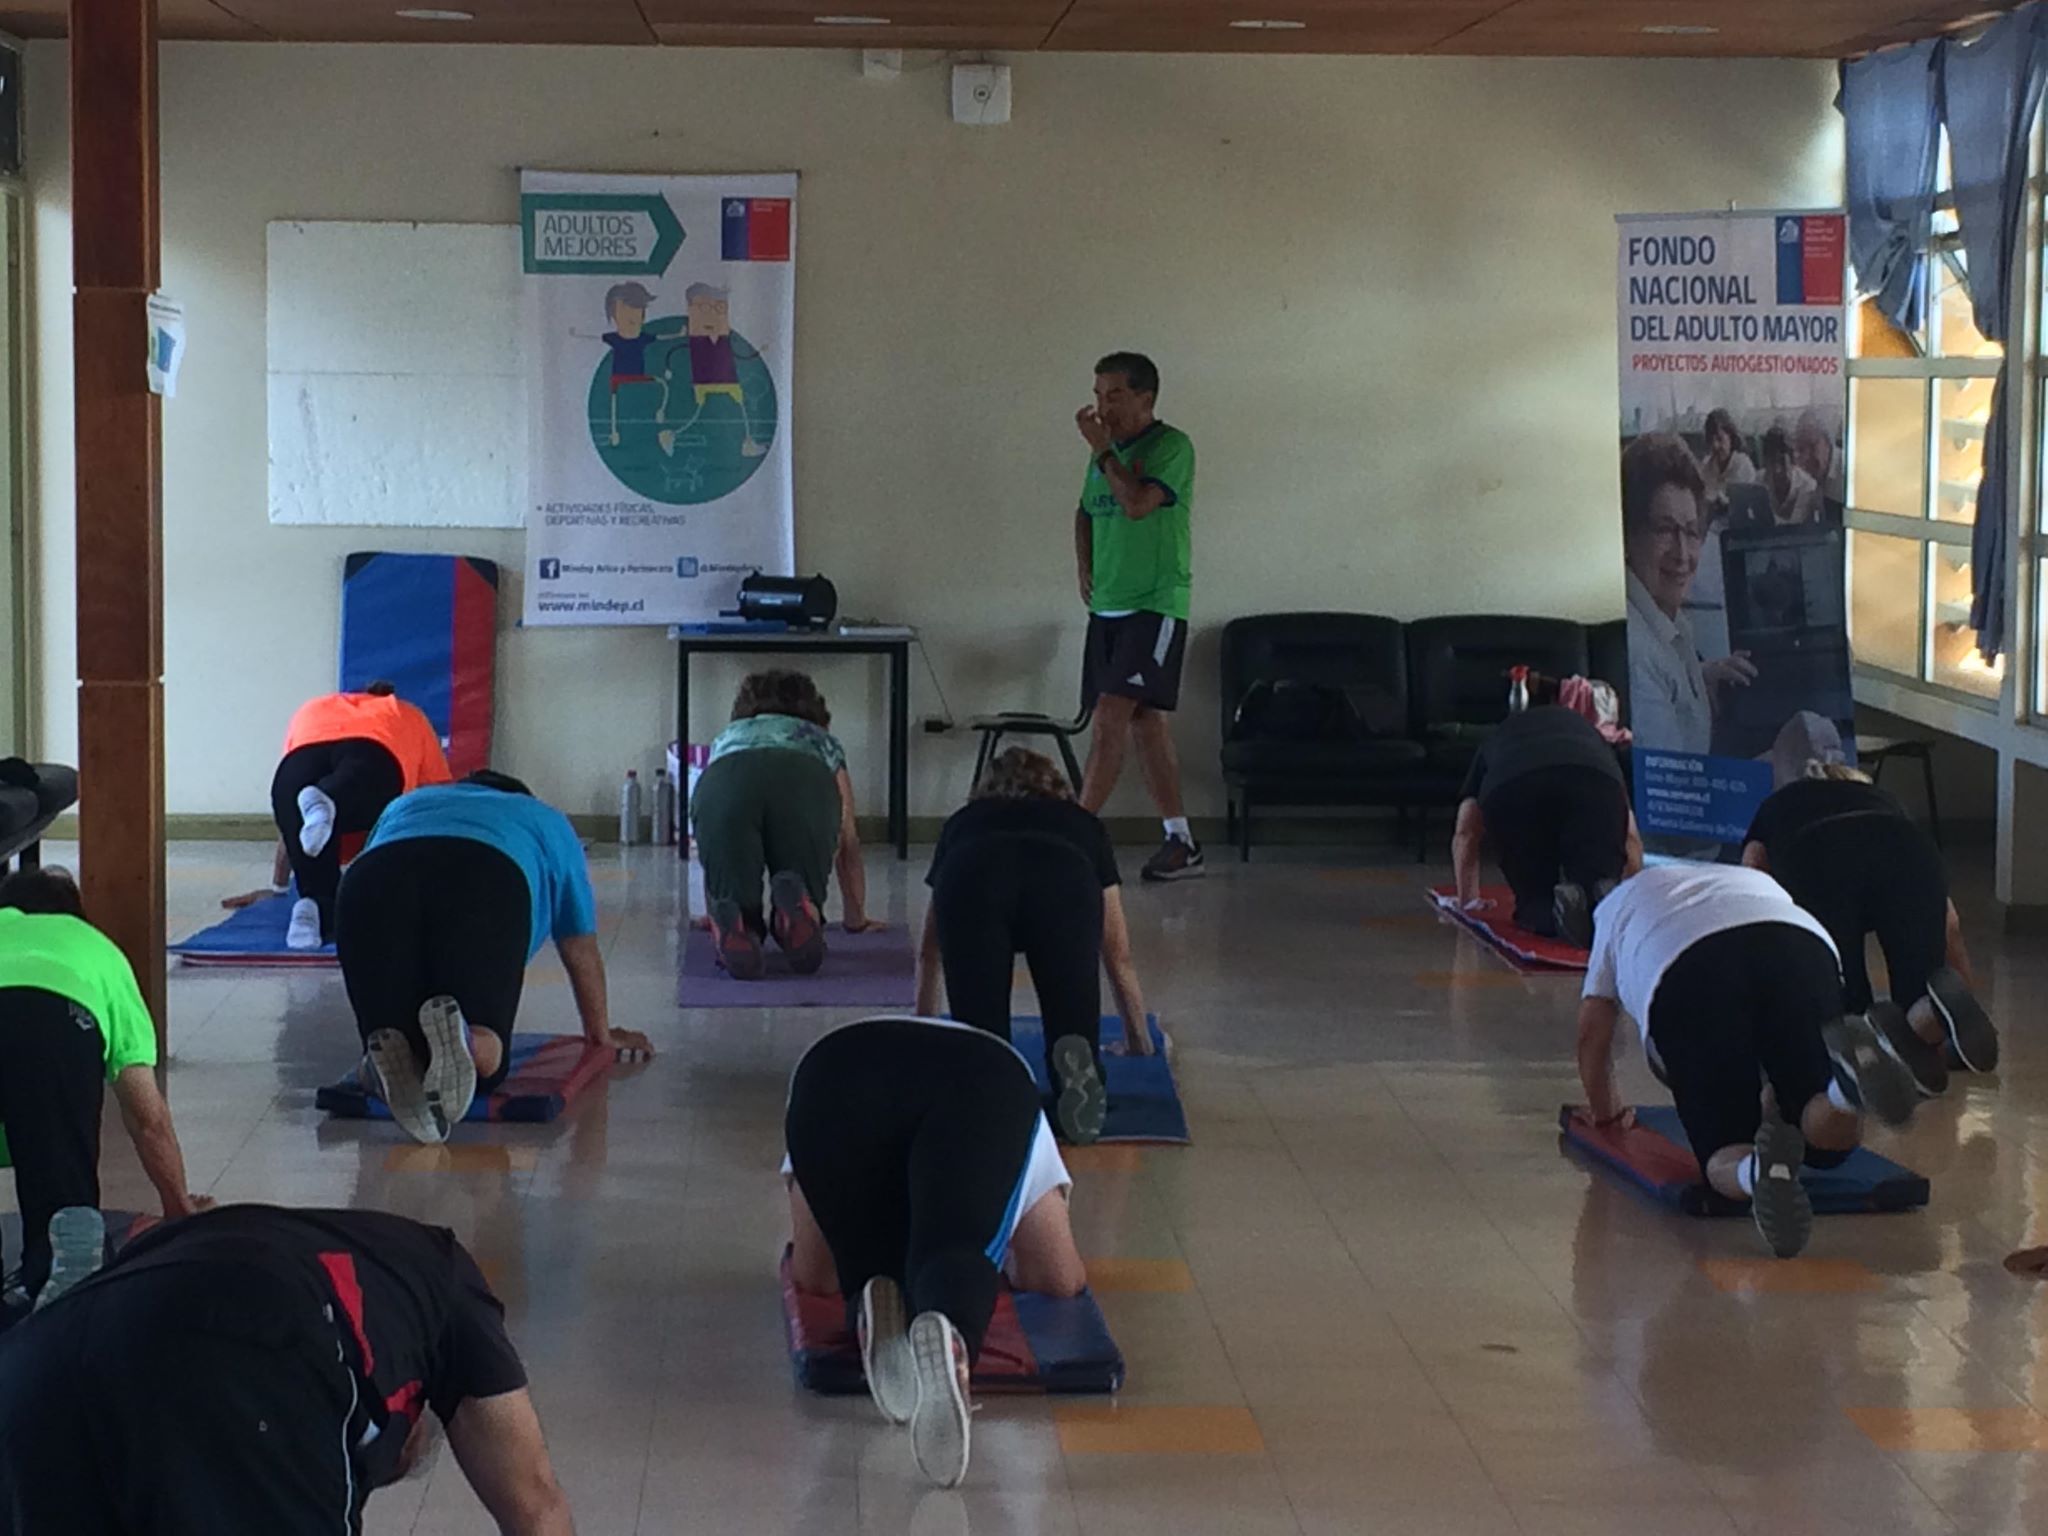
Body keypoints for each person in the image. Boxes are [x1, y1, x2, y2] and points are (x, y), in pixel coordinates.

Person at [0, 1202, 574, 1533]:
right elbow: (536, 1502)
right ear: (413, 1418)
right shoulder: (446, 1279)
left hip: (38, 1360)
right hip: (255, 1331)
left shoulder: (303, 1240)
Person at [784, 1016, 1087, 1488]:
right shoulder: (1015, 1109)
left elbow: (812, 1274)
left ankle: (872, 1289)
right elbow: (1056, 1277)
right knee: (957, 1250)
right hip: (980, 1078)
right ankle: (950, 1328)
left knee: (861, 1252)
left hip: (831, 1073)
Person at [1573, 862, 1923, 1258]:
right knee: (1827, 1142)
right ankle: (1844, 1092)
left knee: (1725, 1148)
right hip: (1800, 942)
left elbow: (1592, 1031)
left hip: (1686, 960)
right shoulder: (1747, 876)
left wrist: (1606, 1115)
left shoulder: (1614, 906)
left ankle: (1755, 1173)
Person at [336, 771, 655, 1145]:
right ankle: (469, 1040)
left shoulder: (406, 803)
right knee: (487, 1062)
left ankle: (379, 1064)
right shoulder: (544, 818)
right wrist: (600, 1035)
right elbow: (578, 947)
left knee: (389, 1039)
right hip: (485, 877)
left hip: (372, 879)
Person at [915, 747, 1155, 1145]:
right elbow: (1117, 952)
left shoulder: (963, 822)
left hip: (973, 874)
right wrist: (1137, 1040)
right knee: (1071, 1014)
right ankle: (1076, 1068)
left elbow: (930, 950)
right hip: (1062, 876)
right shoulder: (1082, 823)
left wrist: (924, 1036)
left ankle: (987, 1084)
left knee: (980, 1025)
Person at [0, 869, 209, 1311]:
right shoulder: (97, 949)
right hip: (53, 1018)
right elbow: (147, 1117)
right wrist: (177, 1205)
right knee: (58, 1164)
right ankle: (62, 1257)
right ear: (75, 915)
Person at [1743, 762, 1996, 1086]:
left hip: (1817, 856)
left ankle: (1859, 1064)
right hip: (1908, 849)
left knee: (1841, 995)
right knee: (1920, 986)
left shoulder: (1778, 805)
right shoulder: (1885, 800)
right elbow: (1950, 924)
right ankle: (1935, 1011)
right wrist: (1959, 987)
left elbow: (1753, 868)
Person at [1072, 351, 1202, 882]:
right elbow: (1085, 510)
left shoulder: (1171, 447)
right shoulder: (1103, 457)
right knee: (1146, 722)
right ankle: (1181, 840)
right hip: (1108, 604)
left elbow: (1136, 504)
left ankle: (1072, 837)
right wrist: (1084, 566)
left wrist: (1103, 450)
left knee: (1110, 716)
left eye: (1115, 395)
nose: (1103, 407)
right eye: (1098, 395)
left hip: (1154, 602)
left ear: (1145, 398)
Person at [690, 669, 879, 979]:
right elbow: (847, 839)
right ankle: (801, 915)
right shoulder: (819, 739)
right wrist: (855, 919)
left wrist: (715, 905)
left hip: (724, 781)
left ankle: (737, 923)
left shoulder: (728, 737)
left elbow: (712, 839)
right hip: (803, 780)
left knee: (728, 865)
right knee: (801, 873)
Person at [271, 680, 453, 950]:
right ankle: (331, 798)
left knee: (304, 814)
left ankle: (312, 905)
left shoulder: (314, 708)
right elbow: (434, 800)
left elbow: (290, 824)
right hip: (372, 753)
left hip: (298, 762)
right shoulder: (404, 712)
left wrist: (279, 887)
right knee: (354, 785)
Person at [1450, 705, 1641, 947]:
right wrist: (1634, 897)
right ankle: (1604, 900)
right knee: (1598, 878)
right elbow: (1630, 836)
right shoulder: (1590, 735)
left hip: (1516, 783)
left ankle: (1547, 913)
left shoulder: (1496, 738)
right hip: (1595, 780)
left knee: (1534, 898)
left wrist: (1468, 902)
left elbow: (1466, 832)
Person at [1622, 433, 1755, 753]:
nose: (1682, 554)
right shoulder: (1637, 657)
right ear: (1628, 536)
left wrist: (1700, 679)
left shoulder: (1666, 619)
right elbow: (1670, 781)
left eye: (1691, 532)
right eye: (1665, 530)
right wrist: (1780, 765)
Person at [1757, 425, 1822, 526]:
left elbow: (1797, 525)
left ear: (1792, 461)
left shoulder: (1808, 486)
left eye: (1781, 461)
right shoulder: (1758, 481)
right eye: (1772, 461)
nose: (1777, 470)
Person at [1696, 408, 1757, 504]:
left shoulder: (1742, 465)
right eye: (1711, 440)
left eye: (1720, 439)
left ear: (1731, 437)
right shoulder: (1706, 466)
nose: (1715, 445)